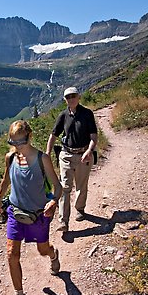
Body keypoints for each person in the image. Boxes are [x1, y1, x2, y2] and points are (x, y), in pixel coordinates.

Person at [0, 120, 63, 295]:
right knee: (11, 254)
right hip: (16, 213)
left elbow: (57, 186)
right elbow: (6, 181)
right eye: (13, 142)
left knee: (42, 250)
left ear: (29, 137)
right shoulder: (11, 158)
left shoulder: (42, 159)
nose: (17, 146)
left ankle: (53, 254)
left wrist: (54, 201)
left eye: (21, 142)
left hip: (39, 215)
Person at [46, 86, 98, 232]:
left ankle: (80, 209)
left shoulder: (87, 114)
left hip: (83, 154)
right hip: (66, 155)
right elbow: (53, 135)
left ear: (79, 96)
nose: (71, 99)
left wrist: (89, 150)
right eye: (68, 97)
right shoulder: (63, 115)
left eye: (73, 96)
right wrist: (47, 153)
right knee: (64, 187)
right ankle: (63, 221)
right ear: (65, 100)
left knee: (81, 185)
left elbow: (94, 136)